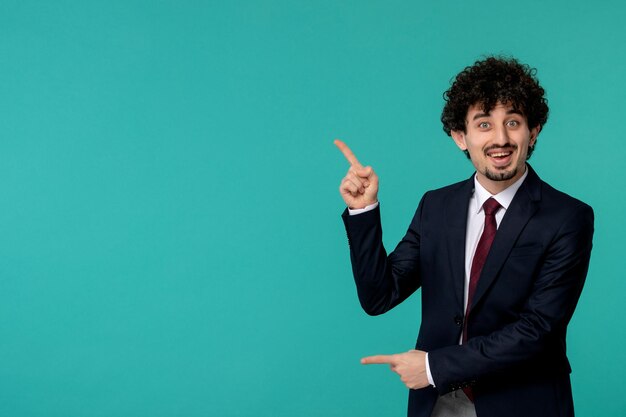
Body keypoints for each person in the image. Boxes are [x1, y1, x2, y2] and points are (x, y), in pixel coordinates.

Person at [335, 57, 594, 417]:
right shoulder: (436, 206)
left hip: (521, 402)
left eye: (513, 123)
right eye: (484, 124)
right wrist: (364, 211)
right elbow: (380, 295)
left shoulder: (568, 217)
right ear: (461, 136)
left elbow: (538, 330)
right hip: (438, 405)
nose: (500, 139)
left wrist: (431, 368)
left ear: (533, 131)